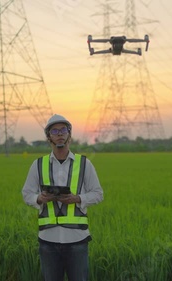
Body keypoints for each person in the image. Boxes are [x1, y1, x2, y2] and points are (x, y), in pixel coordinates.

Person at [22, 114, 104, 281]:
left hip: (77, 240)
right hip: (48, 241)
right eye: (54, 130)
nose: (59, 133)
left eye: (63, 130)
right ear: (48, 137)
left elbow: (98, 194)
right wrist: (39, 198)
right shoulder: (38, 165)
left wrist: (78, 198)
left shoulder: (84, 164)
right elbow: (26, 193)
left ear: (69, 135)